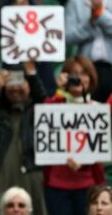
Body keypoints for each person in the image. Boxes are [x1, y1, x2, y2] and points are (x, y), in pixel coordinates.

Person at [0, 62, 48, 215]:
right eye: (11, 82)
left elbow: (44, 103)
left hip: (32, 171)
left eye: (20, 81)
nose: (16, 87)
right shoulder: (2, 115)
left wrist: (32, 76)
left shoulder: (36, 111)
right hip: (5, 173)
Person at [44, 56, 104, 215]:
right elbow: (44, 121)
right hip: (56, 185)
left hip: (88, 184)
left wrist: (84, 161)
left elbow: (102, 148)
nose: (79, 78)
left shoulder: (99, 110)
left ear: (91, 78)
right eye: (73, 74)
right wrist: (58, 90)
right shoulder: (54, 104)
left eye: (84, 73)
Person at [65, 0, 112, 102]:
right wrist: (90, 23)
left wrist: (100, 15)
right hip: (86, 71)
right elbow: (67, 36)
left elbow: (101, 17)